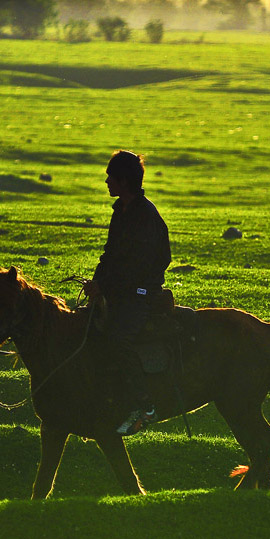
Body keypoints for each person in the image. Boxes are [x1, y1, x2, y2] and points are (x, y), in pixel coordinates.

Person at [83, 150, 171, 436]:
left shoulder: (145, 216)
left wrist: (105, 286)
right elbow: (110, 255)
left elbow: (138, 266)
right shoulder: (121, 211)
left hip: (140, 292)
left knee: (119, 340)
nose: (107, 181)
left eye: (111, 177)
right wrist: (97, 284)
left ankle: (145, 407)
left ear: (124, 180)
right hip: (120, 290)